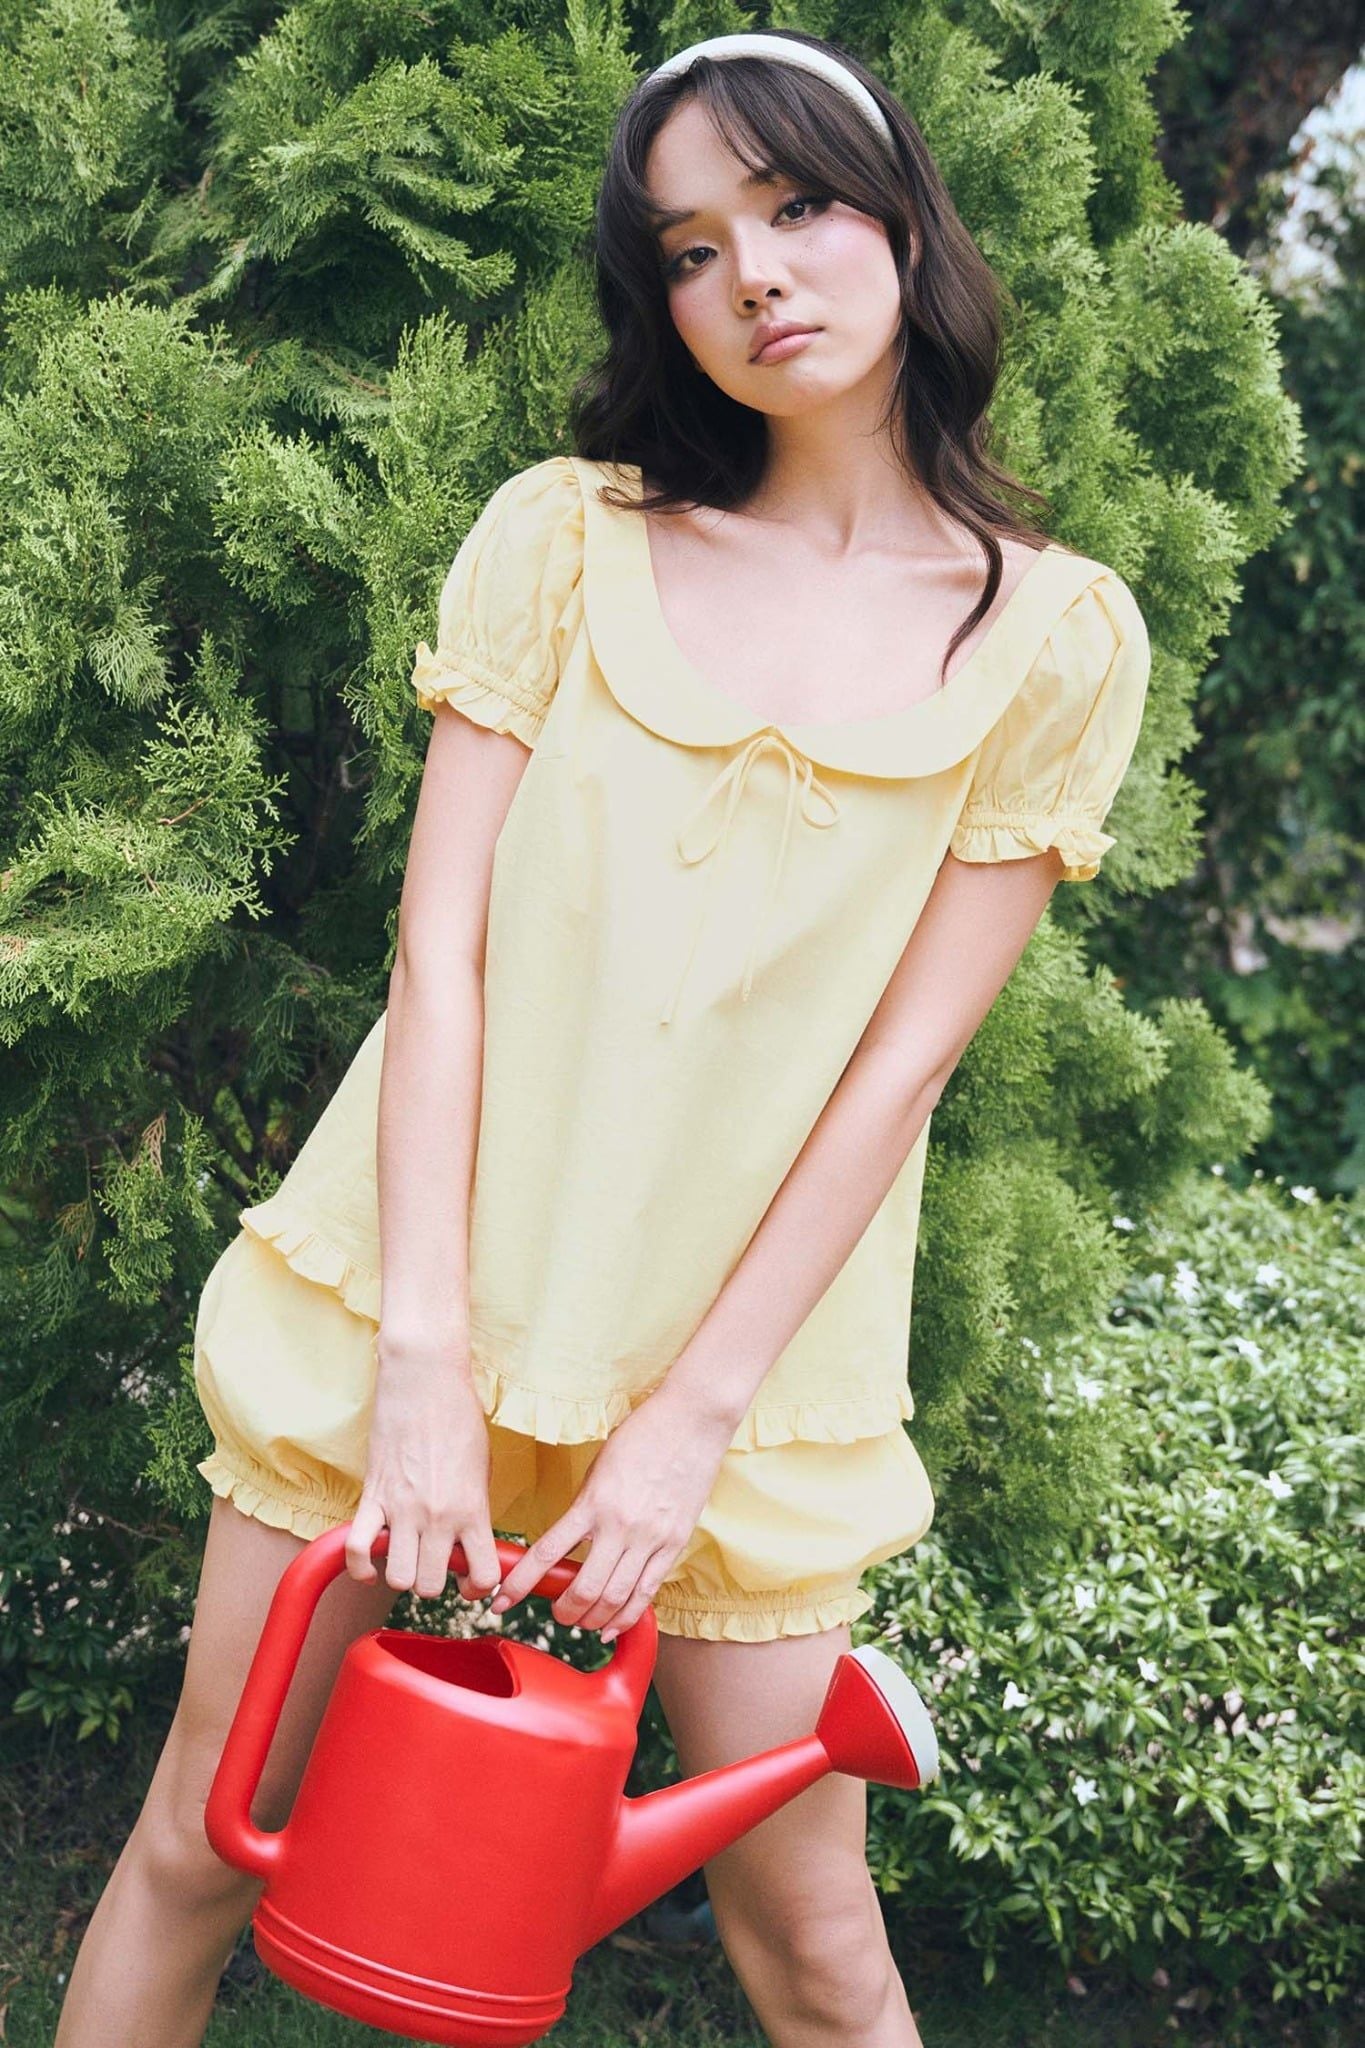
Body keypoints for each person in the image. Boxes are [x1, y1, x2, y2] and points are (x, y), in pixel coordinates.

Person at [55, 28, 1150, 2048]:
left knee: (814, 1949)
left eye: (796, 206)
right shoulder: (564, 535)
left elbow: (900, 1067)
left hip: (745, 1391)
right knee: (203, 1842)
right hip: (411, 1307)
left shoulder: (1050, 635)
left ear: (907, 222)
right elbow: (441, 949)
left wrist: (685, 1428)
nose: (753, 274)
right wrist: (421, 1361)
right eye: (689, 247)